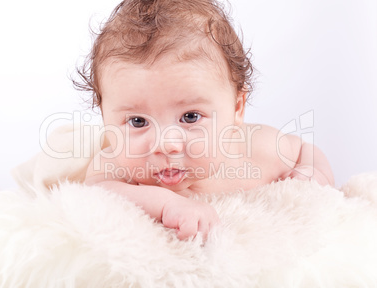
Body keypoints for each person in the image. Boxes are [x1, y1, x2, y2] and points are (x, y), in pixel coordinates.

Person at [76, 0, 334, 240]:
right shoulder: (115, 167)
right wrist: (165, 204)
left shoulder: (257, 150)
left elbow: (303, 149)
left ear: (237, 108)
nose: (167, 144)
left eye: (190, 117)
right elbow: (96, 193)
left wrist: (314, 172)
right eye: (138, 121)